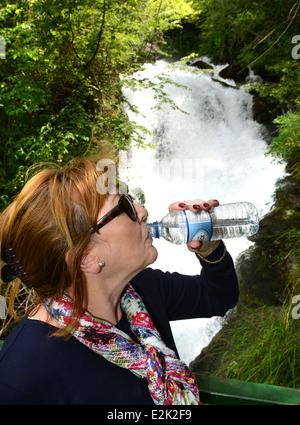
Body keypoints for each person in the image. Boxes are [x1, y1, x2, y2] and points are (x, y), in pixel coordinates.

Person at [0, 154, 239, 405]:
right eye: (124, 205)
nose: (142, 211)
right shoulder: (21, 376)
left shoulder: (140, 288)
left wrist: (209, 248)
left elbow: (219, 296)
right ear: (87, 258)